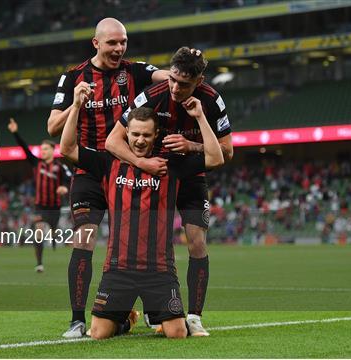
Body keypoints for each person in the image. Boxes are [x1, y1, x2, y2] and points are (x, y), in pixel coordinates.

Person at [60, 81, 224, 339]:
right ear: (127, 134)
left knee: (177, 333)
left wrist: (201, 117)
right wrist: (77, 106)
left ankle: (156, 314)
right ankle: (125, 319)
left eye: (146, 135)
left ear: (156, 135)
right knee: (98, 334)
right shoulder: (108, 162)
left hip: (159, 270)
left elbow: (216, 158)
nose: (139, 140)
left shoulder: (172, 164)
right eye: (135, 134)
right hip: (118, 269)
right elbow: (67, 149)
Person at [47, 17, 170, 338]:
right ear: (96, 43)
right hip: (90, 169)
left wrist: (187, 70)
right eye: (112, 43)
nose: (119, 48)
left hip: (127, 169)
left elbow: (169, 77)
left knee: (139, 244)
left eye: (123, 42)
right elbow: (52, 128)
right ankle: (76, 320)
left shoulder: (134, 71)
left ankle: (153, 312)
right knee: (83, 240)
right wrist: (76, 103)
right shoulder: (73, 77)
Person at [106, 47, 234, 336]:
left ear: (199, 82)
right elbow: (113, 142)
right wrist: (142, 163)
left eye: (184, 84)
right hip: (157, 175)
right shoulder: (153, 95)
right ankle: (143, 310)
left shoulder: (212, 101)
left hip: (191, 177)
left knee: (196, 243)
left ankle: (195, 316)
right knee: (143, 243)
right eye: (173, 79)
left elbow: (226, 152)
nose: (175, 87)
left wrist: (193, 146)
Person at [8, 118, 71, 272]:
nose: (43, 151)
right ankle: (39, 263)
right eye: (41, 149)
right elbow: (25, 149)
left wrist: (64, 187)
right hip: (40, 206)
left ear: (52, 150)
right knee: (38, 231)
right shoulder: (36, 163)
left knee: (54, 231)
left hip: (55, 206)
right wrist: (15, 132)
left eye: (46, 149)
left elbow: (69, 180)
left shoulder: (60, 167)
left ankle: (55, 238)